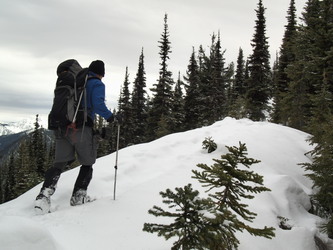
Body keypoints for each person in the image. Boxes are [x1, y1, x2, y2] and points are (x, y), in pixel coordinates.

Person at [35, 60, 116, 214]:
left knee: (58, 164)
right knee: (87, 163)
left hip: (61, 127)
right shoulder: (96, 84)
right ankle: (79, 195)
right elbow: (98, 105)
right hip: (80, 128)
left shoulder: (74, 83)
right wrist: (112, 118)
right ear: (101, 73)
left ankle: (43, 197)